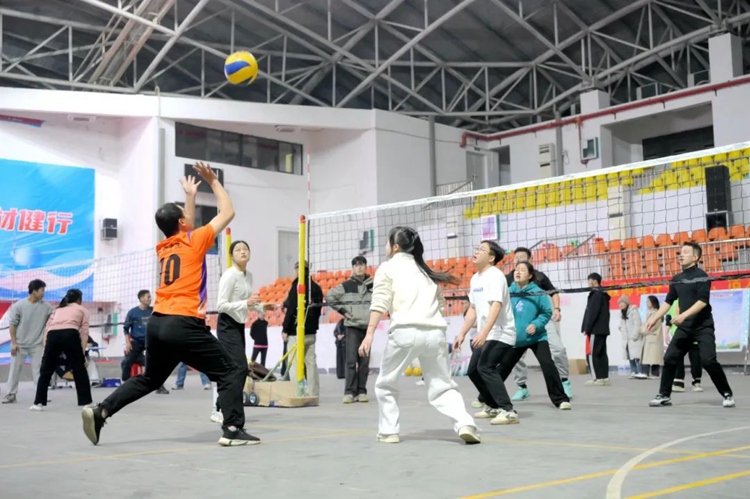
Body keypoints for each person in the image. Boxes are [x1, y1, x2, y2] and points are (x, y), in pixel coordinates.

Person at [81, 162, 259, 447]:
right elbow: (228, 212)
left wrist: (189, 196)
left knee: (150, 378)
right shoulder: (194, 240)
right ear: (182, 223)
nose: (188, 216)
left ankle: (101, 411)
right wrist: (213, 181)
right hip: (183, 323)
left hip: (157, 323)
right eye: (184, 214)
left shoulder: (164, 247)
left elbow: (185, 223)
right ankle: (233, 429)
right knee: (231, 369)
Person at [360, 226, 480, 445]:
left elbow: (380, 302)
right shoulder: (425, 270)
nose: (386, 245)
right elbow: (440, 304)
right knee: (443, 385)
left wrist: (369, 334)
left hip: (404, 332)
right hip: (435, 332)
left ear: (395, 247)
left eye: (387, 241)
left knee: (386, 384)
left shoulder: (387, 267)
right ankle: (465, 423)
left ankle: (388, 432)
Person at [645, 242, 734, 408]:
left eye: (685, 252)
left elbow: (702, 301)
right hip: (685, 327)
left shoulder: (702, 276)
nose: (681, 255)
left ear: (695, 257)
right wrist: (655, 318)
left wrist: (683, 315)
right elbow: (668, 301)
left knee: (708, 361)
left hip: (703, 326)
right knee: (669, 358)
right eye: (681, 252)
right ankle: (664, 395)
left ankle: (727, 393)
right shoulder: (677, 279)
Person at [454, 240, 518, 425]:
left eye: (481, 249)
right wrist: (462, 333)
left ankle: (508, 411)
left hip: (502, 332)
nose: (476, 251)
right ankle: (493, 406)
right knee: (473, 370)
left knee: (486, 367)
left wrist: (483, 333)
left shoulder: (495, 276)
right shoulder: (475, 278)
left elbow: (496, 305)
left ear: (491, 258)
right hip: (487, 333)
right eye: (477, 248)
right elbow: (473, 309)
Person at [504, 248, 572, 402]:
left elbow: (553, 292)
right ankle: (521, 387)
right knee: (515, 357)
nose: (518, 260)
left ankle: (564, 381)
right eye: (516, 258)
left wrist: (557, 309)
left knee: (558, 350)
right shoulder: (509, 279)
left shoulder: (539, 277)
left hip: (541, 321)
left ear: (530, 260)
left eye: (522, 257)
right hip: (519, 323)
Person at [212, 239, 263, 423]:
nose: (243, 252)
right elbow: (221, 305)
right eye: (238, 250)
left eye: (245, 249)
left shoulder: (249, 276)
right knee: (239, 367)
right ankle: (222, 408)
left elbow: (247, 302)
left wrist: (262, 307)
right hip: (226, 324)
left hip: (239, 325)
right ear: (231, 256)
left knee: (238, 369)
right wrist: (246, 303)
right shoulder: (229, 276)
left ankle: (221, 405)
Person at [31, 289, 91, 410]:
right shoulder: (82, 309)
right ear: (79, 299)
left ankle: (38, 403)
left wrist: (45, 351)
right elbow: (84, 334)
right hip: (70, 334)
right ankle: (86, 403)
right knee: (79, 369)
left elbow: (47, 331)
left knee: (45, 371)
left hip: (53, 336)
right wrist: (82, 354)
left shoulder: (57, 310)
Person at [326, 255, 374, 404]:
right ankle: (349, 392)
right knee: (351, 361)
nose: (359, 267)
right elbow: (329, 296)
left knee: (364, 363)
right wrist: (343, 311)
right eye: (356, 265)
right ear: (353, 268)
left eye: (362, 265)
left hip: (367, 328)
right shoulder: (346, 285)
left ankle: (362, 391)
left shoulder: (374, 285)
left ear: (366, 267)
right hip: (352, 327)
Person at [2, 279, 53, 404]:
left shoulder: (47, 307)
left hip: (37, 345)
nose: (43, 293)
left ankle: (41, 395)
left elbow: (52, 321)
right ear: (34, 291)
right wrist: (14, 343)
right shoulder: (19, 306)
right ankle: (11, 394)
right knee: (14, 370)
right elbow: (12, 325)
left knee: (39, 370)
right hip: (20, 344)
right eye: (42, 290)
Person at [282, 262, 323, 397]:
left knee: (294, 362)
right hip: (311, 332)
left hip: (297, 331)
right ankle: (313, 392)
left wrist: (285, 329)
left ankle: (298, 392)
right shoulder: (316, 288)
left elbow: (292, 309)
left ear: (297, 270)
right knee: (311, 363)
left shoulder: (298, 286)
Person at [121, 290, 169, 395]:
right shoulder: (132, 312)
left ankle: (160, 387)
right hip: (136, 342)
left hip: (150, 341)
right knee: (126, 362)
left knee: (155, 364)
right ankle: (125, 385)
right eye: (148, 297)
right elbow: (126, 328)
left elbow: (160, 325)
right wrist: (128, 342)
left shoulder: (153, 311)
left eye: (150, 297)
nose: (150, 299)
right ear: (142, 299)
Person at [665, 300, 703, 392]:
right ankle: (679, 382)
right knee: (677, 358)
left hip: (693, 333)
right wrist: (666, 333)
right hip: (678, 334)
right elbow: (668, 319)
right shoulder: (673, 301)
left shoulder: (692, 298)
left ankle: (696, 382)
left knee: (695, 359)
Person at [582, 273, 611, 386]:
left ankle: (596, 378)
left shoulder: (596, 294)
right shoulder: (603, 294)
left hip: (595, 329)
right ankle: (604, 378)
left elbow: (592, 313)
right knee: (602, 353)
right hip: (603, 329)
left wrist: (587, 328)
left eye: (589, 280)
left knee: (592, 354)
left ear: (594, 281)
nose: (588, 283)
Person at [618, 296, 645, 379]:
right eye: (619, 303)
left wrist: (635, 335)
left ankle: (640, 371)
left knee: (637, 355)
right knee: (630, 355)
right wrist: (620, 328)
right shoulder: (622, 313)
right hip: (626, 339)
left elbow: (637, 323)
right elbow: (621, 324)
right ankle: (633, 371)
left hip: (634, 337)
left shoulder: (633, 311)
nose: (620, 305)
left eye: (622, 303)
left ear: (626, 303)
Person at [640, 295, 664, 379]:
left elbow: (651, 326)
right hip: (649, 337)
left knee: (654, 358)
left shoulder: (656, 313)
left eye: (648, 302)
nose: (647, 303)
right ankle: (645, 373)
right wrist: (642, 329)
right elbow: (645, 325)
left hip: (653, 338)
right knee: (648, 357)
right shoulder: (649, 312)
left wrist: (642, 331)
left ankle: (655, 374)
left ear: (653, 303)